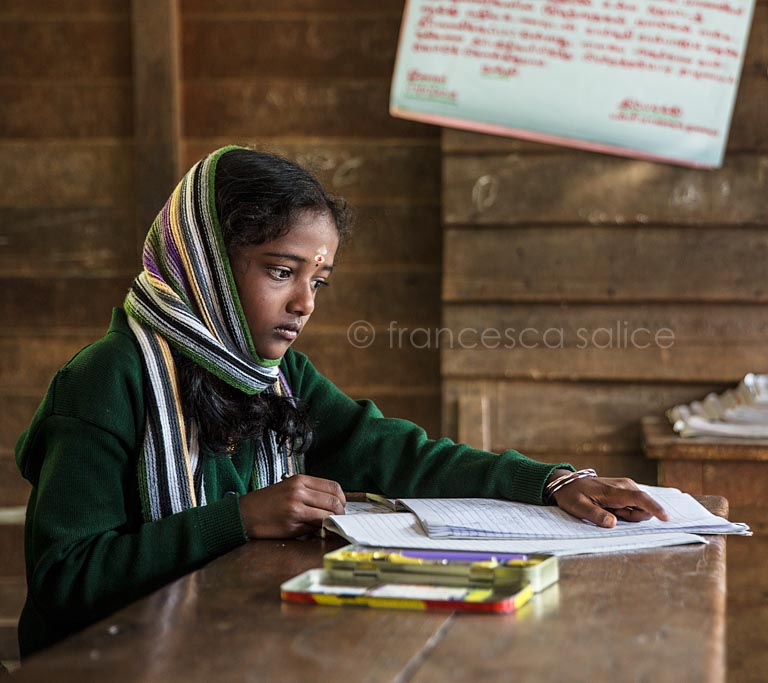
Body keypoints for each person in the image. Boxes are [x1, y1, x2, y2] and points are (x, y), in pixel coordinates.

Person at [15, 146, 668, 657]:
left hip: (224, 643)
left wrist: (551, 480)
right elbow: (65, 579)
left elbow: (394, 453)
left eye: (318, 279)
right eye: (281, 271)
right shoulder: (108, 380)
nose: (305, 302)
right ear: (206, 262)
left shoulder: (274, 375)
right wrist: (239, 517)